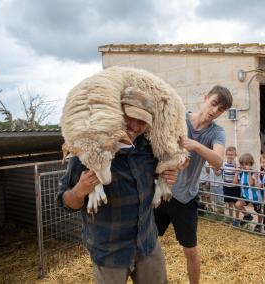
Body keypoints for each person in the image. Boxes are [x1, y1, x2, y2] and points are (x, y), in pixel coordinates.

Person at [57, 88, 179, 284]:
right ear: (118, 112)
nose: (135, 126)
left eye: (142, 122)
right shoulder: (88, 151)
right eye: (129, 117)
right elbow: (65, 202)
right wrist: (80, 190)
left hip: (147, 245)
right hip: (109, 252)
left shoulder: (149, 150)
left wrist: (168, 176)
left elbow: (161, 177)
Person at [154, 85, 233, 284]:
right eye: (214, 103)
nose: (214, 111)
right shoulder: (180, 118)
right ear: (205, 98)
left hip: (185, 198)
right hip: (161, 191)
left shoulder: (217, 133)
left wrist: (195, 145)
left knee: (190, 250)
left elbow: (218, 161)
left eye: (220, 109)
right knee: (148, 243)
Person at [234, 153, 262, 232]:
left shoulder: (254, 172)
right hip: (245, 196)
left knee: (259, 211)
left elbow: (251, 184)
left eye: (246, 164)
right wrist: (236, 172)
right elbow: (235, 182)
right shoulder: (241, 173)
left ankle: (259, 225)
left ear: (251, 164)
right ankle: (247, 216)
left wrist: (249, 172)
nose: (244, 166)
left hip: (255, 197)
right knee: (237, 204)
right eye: (242, 164)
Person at [222, 146, 241, 226]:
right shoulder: (224, 163)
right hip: (226, 186)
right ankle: (230, 217)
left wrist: (237, 169)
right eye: (228, 154)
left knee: (236, 203)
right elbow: (220, 172)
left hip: (235, 187)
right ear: (226, 154)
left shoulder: (236, 164)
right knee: (229, 203)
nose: (230, 156)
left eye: (232, 154)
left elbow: (238, 176)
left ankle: (237, 219)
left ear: (235, 155)